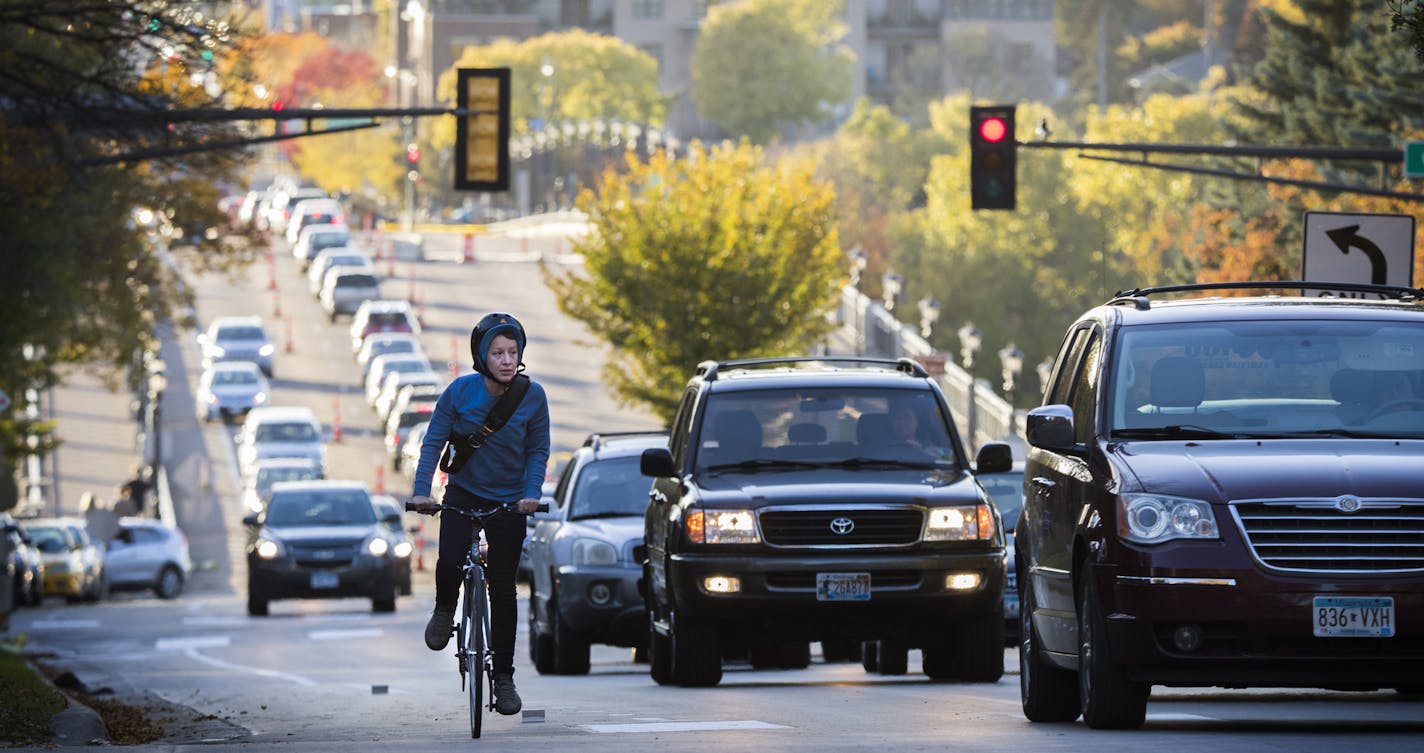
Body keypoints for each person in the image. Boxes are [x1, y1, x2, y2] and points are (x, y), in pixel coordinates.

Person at [409, 312, 550, 717]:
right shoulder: (458, 393)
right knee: (451, 559)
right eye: (498, 352)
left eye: (513, 352)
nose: (507, 360)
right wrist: (422, 492)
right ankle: (442, 610)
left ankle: (503, 678)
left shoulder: (533, 396)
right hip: (464, 493)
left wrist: (530, 495)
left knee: (504, 588)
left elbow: (538, 450)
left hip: (510, 502)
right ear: (481, 356)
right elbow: (433, 443)